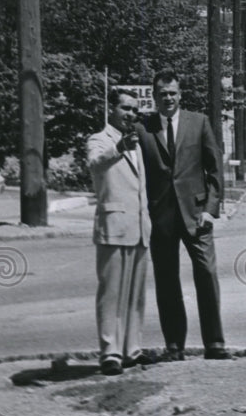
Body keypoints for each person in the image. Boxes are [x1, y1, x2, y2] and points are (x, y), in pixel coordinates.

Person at [136, 69, 230, 361]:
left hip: (197, 215)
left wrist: (210, 210)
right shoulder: (143, 128)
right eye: (162, 94)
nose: (168, 99)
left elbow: (214, 169)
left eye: (173, 93)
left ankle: (214, 343)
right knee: (167, 281)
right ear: (154, 97)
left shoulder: (198, 122)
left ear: (180, 94)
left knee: (206, 275)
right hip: (160, 217)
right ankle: (174, 346)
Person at [86, 89, 151, 375]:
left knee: (136, 294)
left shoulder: (137, 143)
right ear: (111, 109)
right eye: (125, 108)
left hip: (138, 227)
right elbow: (95, 163)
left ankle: (131, 350)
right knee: (111, 292)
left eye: (135, 110)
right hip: (113, 225)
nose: (131, 115)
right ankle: (109, 352)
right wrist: (119, 148)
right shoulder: (100, 140)